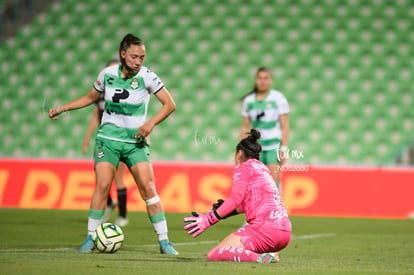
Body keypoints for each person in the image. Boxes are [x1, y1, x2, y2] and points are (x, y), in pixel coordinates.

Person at [49, 33, 178, 255]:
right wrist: (63, 108)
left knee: (148, 188)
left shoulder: (147, 77)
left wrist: (151, 123)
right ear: (123, 54)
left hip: (135, 142)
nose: (139, 62)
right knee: (102, 186)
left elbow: (170, 104)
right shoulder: (107, 74)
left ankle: (165, 241)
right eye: (135, 56)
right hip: (107, 140)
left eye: (142, 57)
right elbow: (90, 98)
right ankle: (90, 237)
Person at [184, 129, 292, 263]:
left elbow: (236, 198)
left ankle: (260, 258)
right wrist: (229, 212)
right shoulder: (264, 170)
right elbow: (250, 203)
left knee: (214, 254)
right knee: (239, 248)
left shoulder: (244, 166)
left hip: (265, 231)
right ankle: (270, 254)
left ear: (239, 153)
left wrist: (209, 220)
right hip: (285, 233)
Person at [82, 59, 129, 227]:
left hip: (122, 139)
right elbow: (96, 116)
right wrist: (87, 138)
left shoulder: (128, 92)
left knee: (117, 177)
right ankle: (108, 204)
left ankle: (123, 215)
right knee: (100, 178)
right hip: (103, 139)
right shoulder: (101, 94)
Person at [240, 67, 290, 192]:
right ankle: (257, 208)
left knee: (274, 178)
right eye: (259, 78)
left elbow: (285, 125)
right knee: (255, 179)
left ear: (271, 81)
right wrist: (242, 147)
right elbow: (245, 126)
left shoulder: (278, 98)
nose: (262, 81)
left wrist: (284, 148)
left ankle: (276, 207)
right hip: (256, 146)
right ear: (256, 80)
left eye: (266, 78)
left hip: (274, 145)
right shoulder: (249, 101)